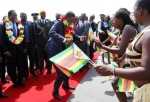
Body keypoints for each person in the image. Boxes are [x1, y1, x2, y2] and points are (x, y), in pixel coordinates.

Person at [95, 0, 150, 101]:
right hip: (142, 89)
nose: (113, 22)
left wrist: (112, 70)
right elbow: (128, 51)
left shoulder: (146, 33)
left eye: (134, 11)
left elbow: (147, 71)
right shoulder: (144, 31)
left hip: (146, 92)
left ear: (141, 11)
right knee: (116, 84)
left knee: (115, 84)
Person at [95, 9, 137, 102]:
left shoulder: (127, 28)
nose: (112, 22)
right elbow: (127, 48)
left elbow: (120, 50)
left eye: (114, 20)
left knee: (116, 83)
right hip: (127, 62)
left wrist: (102, 46)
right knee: (119, 84)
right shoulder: (123, 29)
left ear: (120, 19)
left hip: (132, 64)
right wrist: (121, 58)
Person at [47, 11, 82, 100]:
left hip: (63, 50)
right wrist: (63, 39)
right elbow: (51, 32)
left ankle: (65, 86)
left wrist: (79, 37)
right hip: (54, 51)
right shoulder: (58, 23)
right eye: (72, 20)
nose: (73, 22)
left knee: (67, 69)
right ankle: (55, 93)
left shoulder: (68, 25)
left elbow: (72, 34)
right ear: (67, 17)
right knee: (61, 73)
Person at [3, 10, 25, 86]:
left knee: (20, 65)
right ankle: (15, 81)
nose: (16, 16)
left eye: (16, 15)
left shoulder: (18, 24)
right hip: (10, 50)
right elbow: (2, 39)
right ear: (9, 16)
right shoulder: (4, 25)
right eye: (14, 15)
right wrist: (5, 50)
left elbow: (21, 36)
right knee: (11, 67)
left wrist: (22, 47)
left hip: (18, 48)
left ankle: (20, 80)